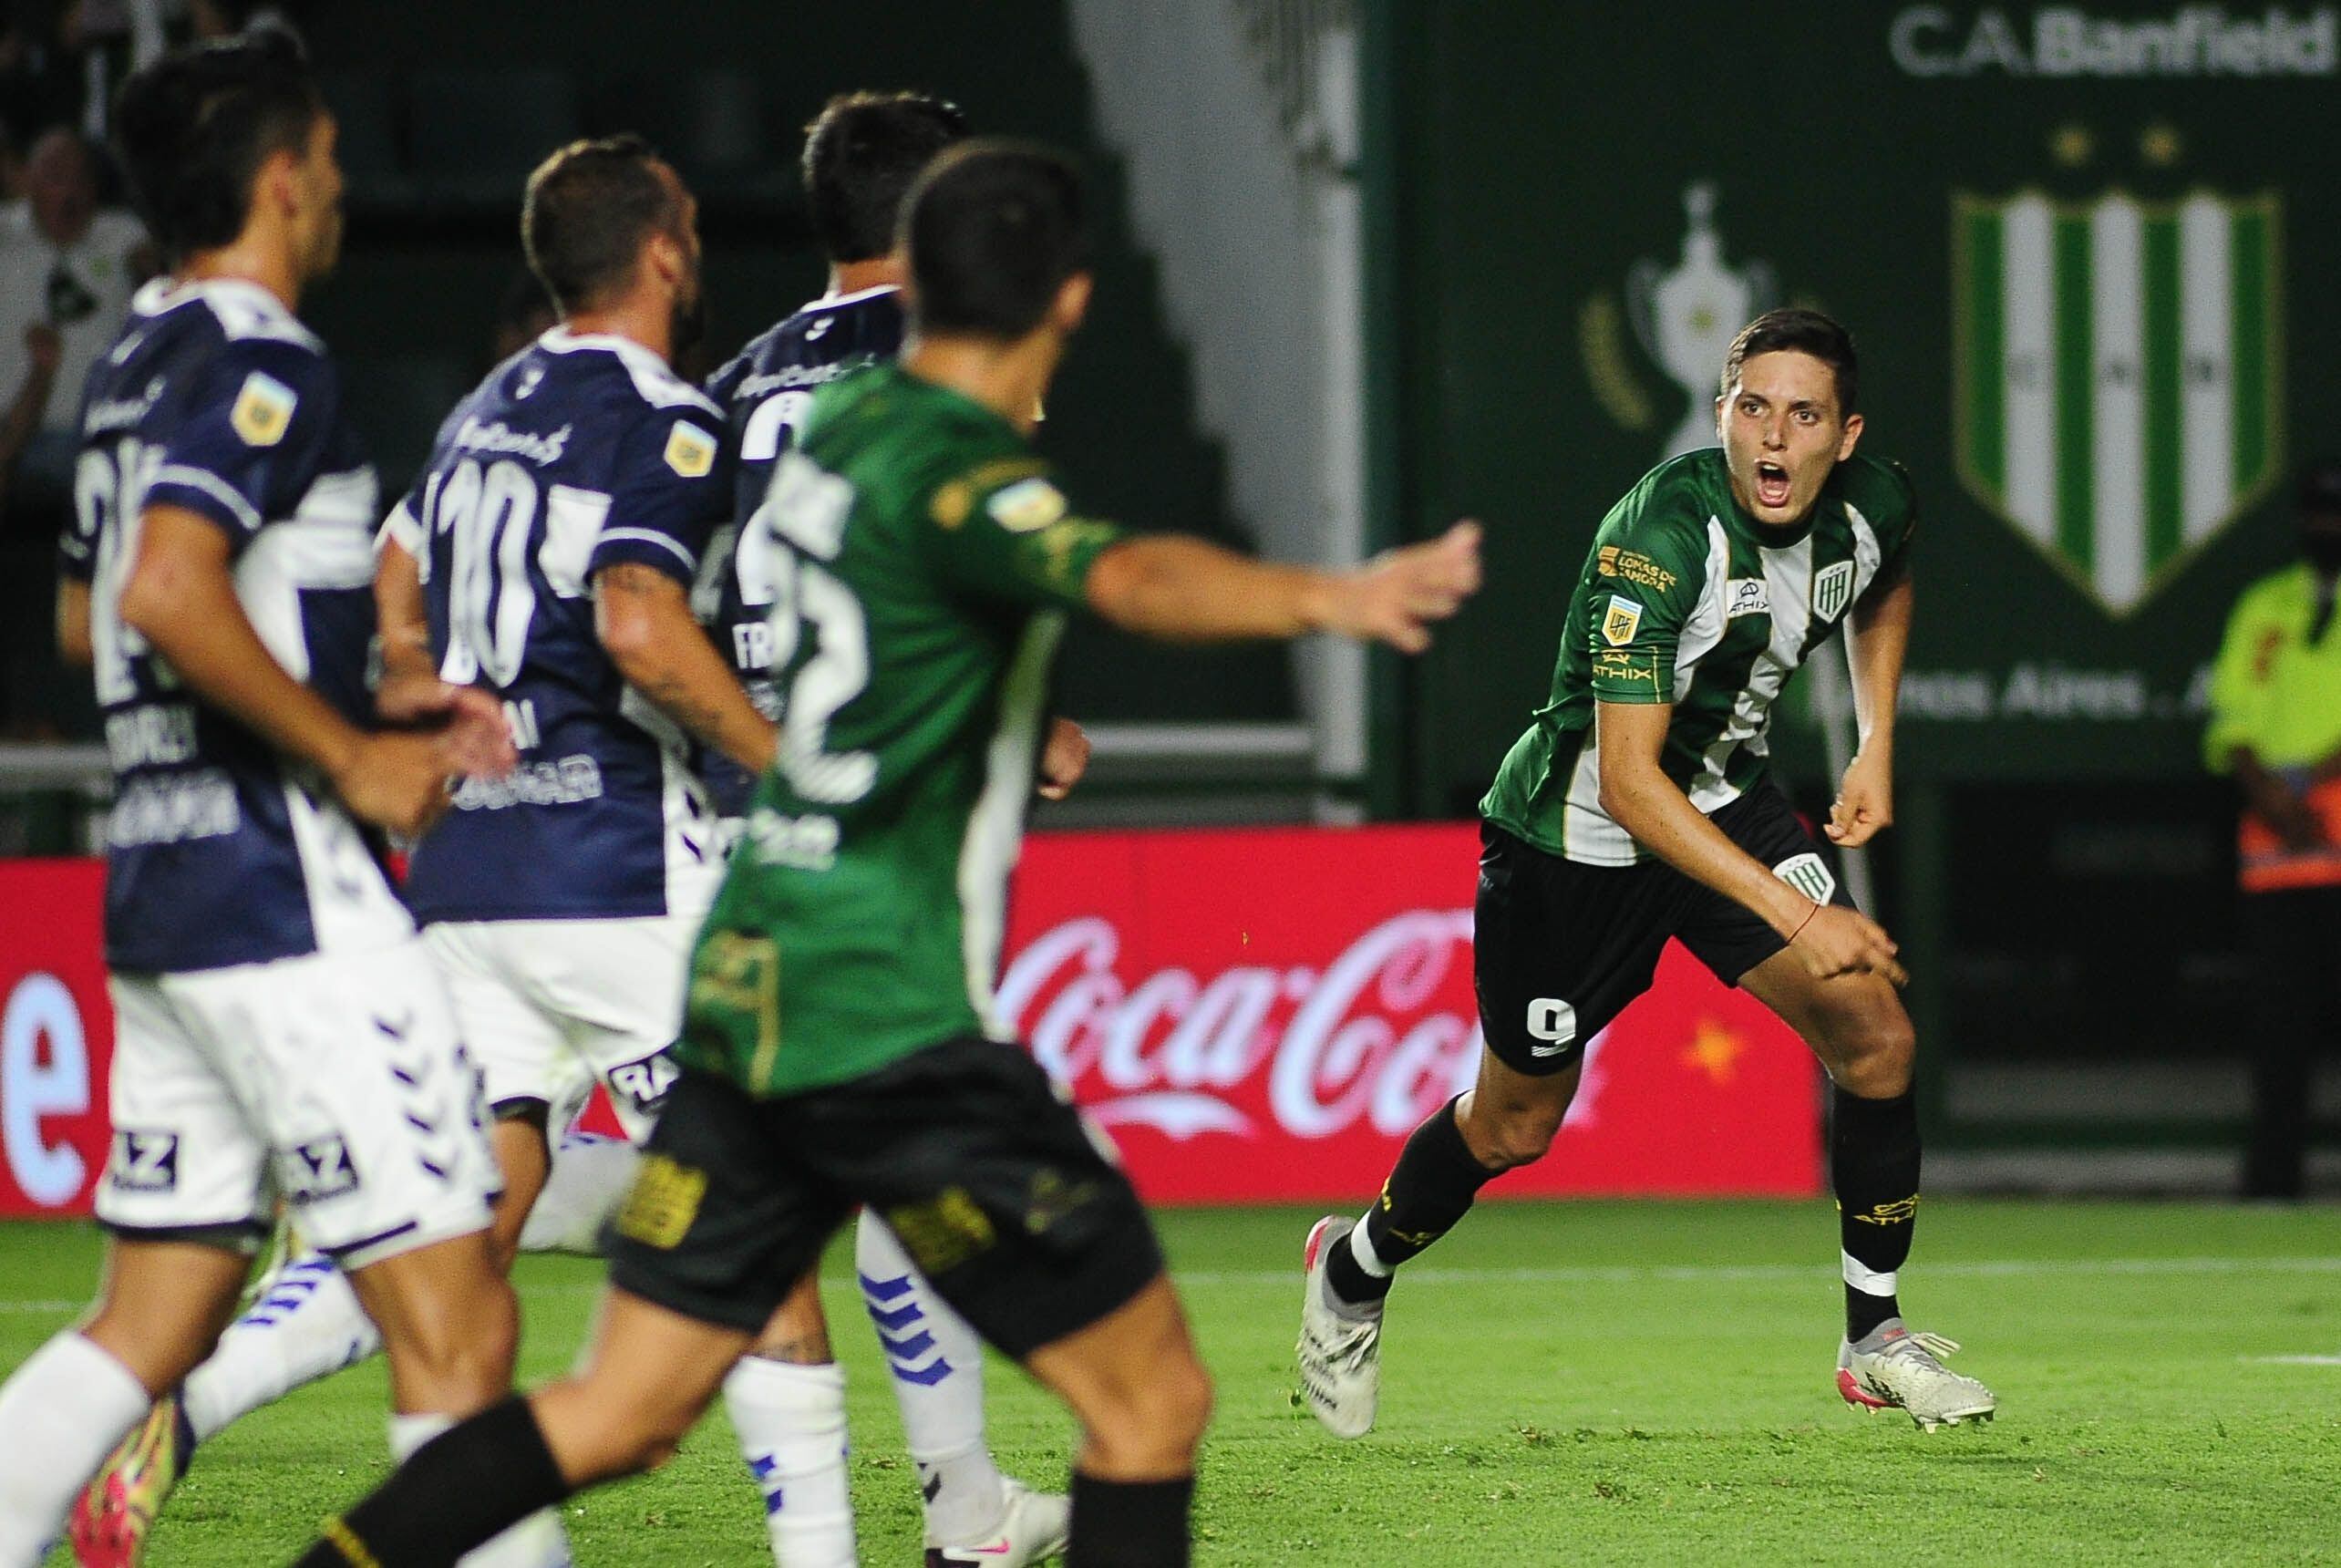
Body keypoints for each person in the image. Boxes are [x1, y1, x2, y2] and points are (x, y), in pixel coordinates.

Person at [286, 139, 1480, 1568]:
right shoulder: (952, 459)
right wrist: (1325, 596)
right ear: (1069, 303)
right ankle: (960, 1512)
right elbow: (1125, 575)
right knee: (1150, 1399)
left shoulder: (824, 445)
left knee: (621, 1408)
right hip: (883, 1013)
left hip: (750, 979)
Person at [0, 35, 521, 1568]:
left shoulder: (139, 351)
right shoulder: (260, 353)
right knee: (457, 1335)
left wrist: (353, 688)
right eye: (334, 163)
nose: (346, 190)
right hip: (290, 897)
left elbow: (94, 624)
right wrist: (350, 755)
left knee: (154, 1311)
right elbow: (166, 591)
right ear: (283, 178)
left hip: (162, 891)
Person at [1296, 306, 1998, 1438]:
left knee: (1878, 1040)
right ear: (1720, 412)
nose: (1774, 437)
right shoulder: (1663, 538)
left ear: (1846, 435)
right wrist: (1789, 908)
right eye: (1753, 406)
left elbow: (1887, 574)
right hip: (1574, 841)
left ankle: (1873, 1337)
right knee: (1513, 1125)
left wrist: (1876, 739)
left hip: (1726, 802)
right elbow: (1629, 784)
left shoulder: (1876, 503)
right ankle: (1353, 1265)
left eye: (1803, 414)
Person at [700, 88, 1077, 1567]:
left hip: (732, 821)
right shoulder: (953, 366)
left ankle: (965, 1505)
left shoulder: (734, 381)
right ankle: (439, 1212)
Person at [2202, 461, 2341, 1200]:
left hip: (2326, 815)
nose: (2331, 529)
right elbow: (2232, 717)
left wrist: (2316, 777)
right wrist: (2273, 796)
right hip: (2280, 848)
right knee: (2281, 1027)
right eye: (2321, 514)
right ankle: (2272, 1181)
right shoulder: (2268, 605)